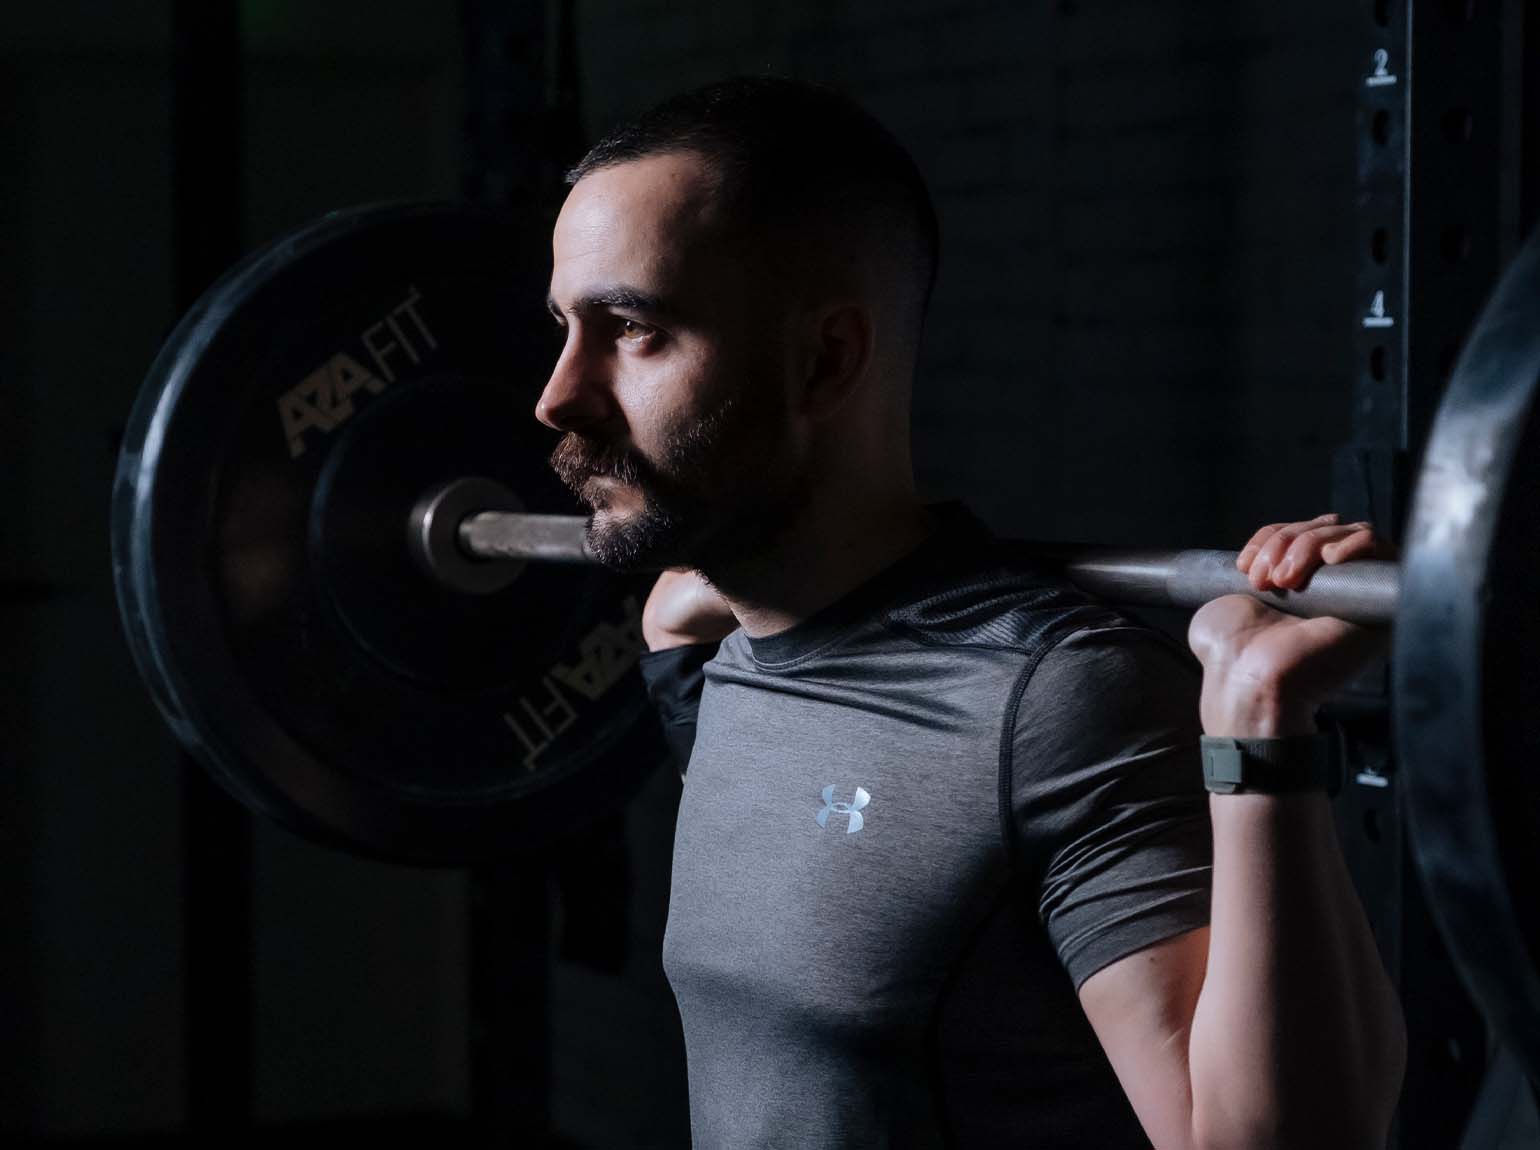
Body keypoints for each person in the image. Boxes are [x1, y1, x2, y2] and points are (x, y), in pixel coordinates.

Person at [535, 75, 1405, 1149]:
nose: (557, 395)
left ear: (826, 360)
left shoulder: (1055, 703)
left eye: (629, 328)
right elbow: (691, 637)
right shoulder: (722, 655)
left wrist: (1255, 717)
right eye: (563, 327)